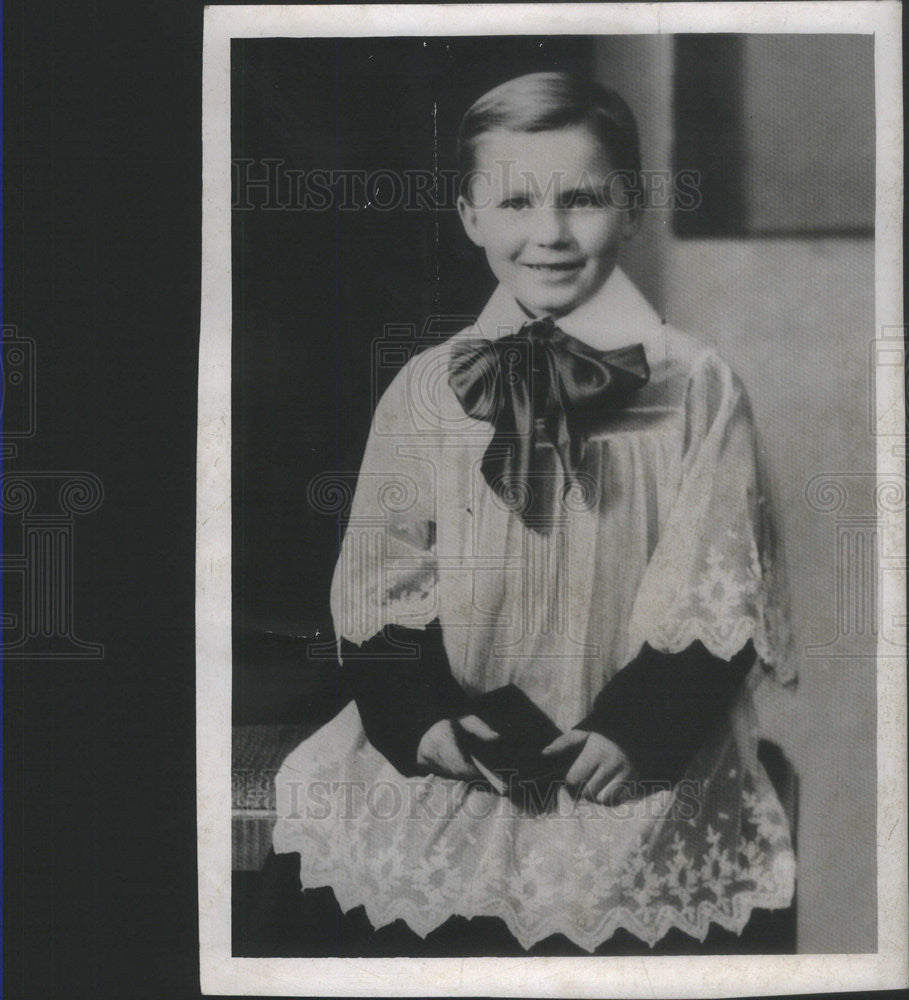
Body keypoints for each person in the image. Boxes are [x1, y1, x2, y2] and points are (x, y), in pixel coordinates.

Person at [264, 71, 797, 956]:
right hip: (461, 758)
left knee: (620, 907)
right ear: (470, 215)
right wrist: (425, 721)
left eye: (582, 199)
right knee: (376, 886)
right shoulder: (428, 389)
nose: (548, 234)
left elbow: (721, 578)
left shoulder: (695, 384)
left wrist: (639, 730)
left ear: (629, 209)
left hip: (630, 771)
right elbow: (381, 575)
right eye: (514, 201)